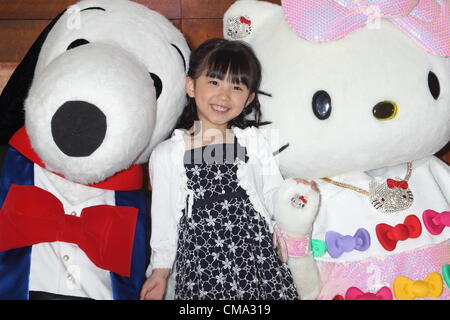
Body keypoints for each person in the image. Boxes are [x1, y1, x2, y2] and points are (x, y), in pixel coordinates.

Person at [140, 38, 317, 300]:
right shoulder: (168, 154)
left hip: (258, 264)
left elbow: (273, 196)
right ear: (190, 85)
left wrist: (296, 194)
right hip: (203, 270)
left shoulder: (254, 143)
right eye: (214, 82)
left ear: (248, 99)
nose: (224, 95)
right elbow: (164, 223)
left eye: (236, 87)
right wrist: (160, 273)